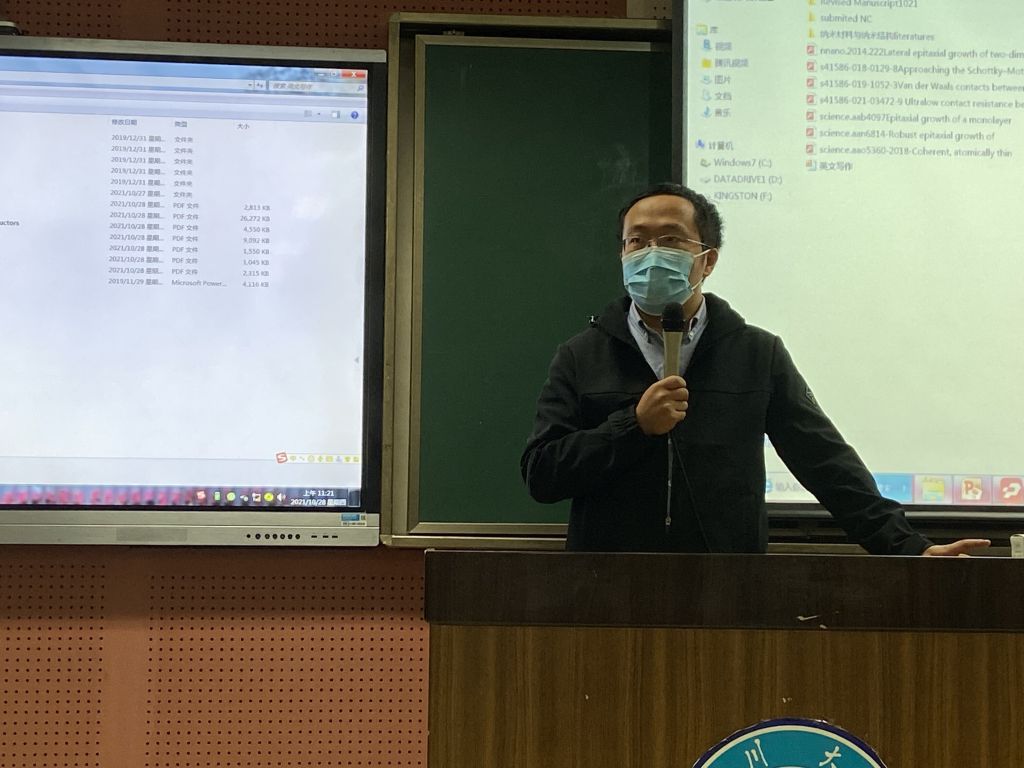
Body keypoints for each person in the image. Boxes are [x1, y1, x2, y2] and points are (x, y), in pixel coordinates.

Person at [520, 183, 988, 556]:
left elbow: (824, 462)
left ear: (707, 260)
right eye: (636, 242)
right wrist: (633, 426)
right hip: (605, 589)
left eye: (671, 240)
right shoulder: (582, 355)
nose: (651, 253)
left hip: (729, 590)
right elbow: (542, 473)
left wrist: (909, 547)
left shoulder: (756, 354)